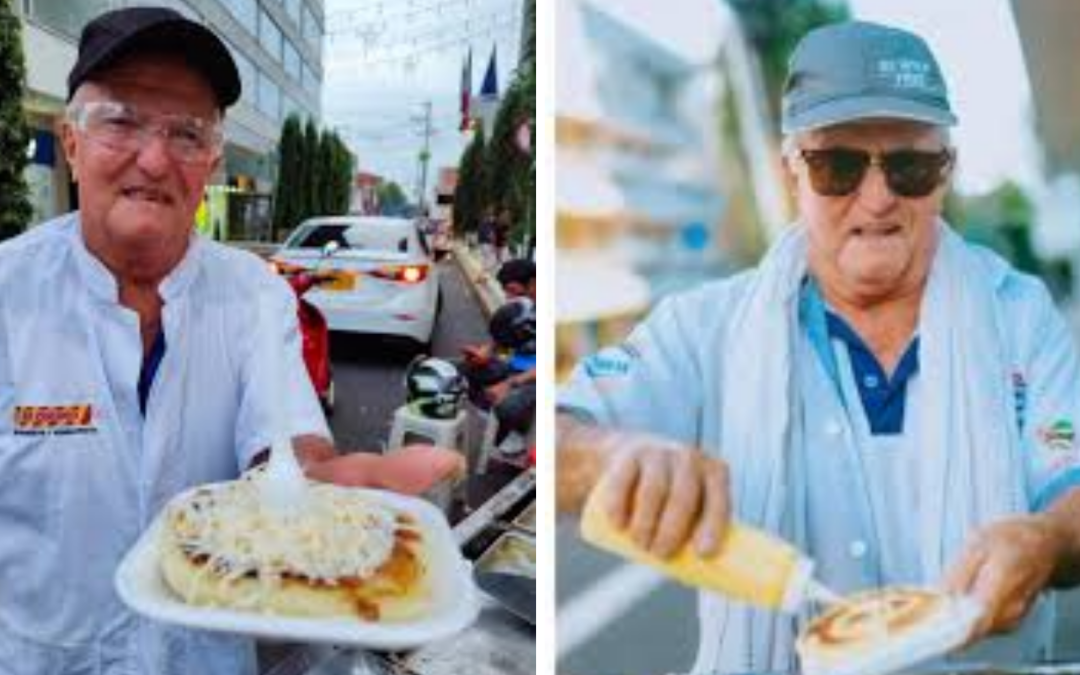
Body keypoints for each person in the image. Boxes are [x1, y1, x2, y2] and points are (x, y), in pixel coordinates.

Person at [557, 20, 1080, 673]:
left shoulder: (1021, 314)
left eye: (911, 164)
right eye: (837, 165)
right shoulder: (702, 327)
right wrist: (618, 454)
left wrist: (1049, 536)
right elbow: (552, 436)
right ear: (790, 175)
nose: (878, 197)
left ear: (945, 170)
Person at [0, 7, 461, 674]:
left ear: (211, 159)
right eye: (120, 120)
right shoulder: (9, 292)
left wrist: (317, 490)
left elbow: (287, 443)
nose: (154, 158)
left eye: (186, 133)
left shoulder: (252, 294)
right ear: (70, 141)